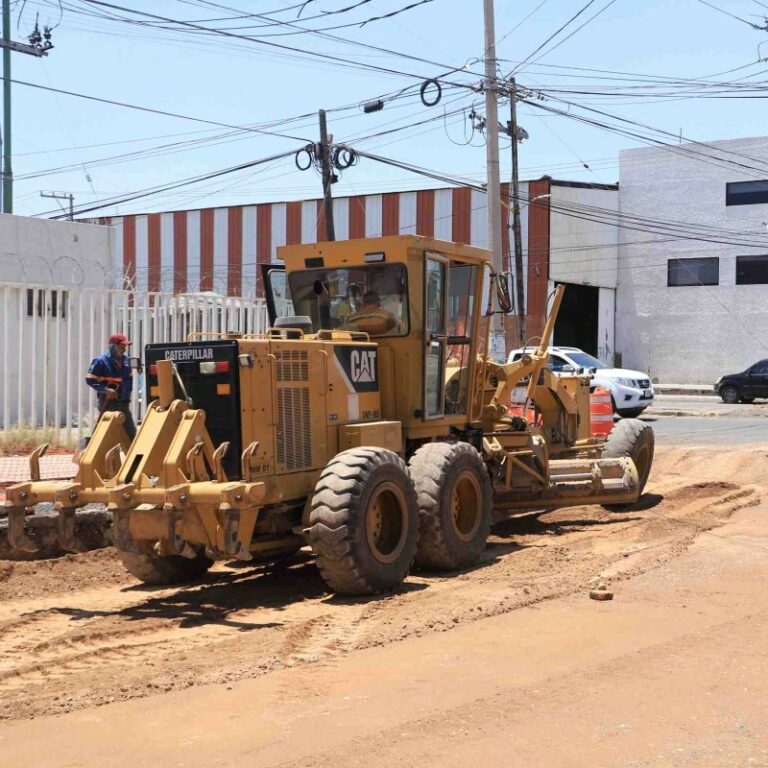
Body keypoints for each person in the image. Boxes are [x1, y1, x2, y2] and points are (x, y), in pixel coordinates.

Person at [86, 332, 137, 439]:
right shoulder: (100, 361)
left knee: (131, 434)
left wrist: (127, 397)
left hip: (123, 403)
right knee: (106, 436)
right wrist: (105, 390)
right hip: (108, 403)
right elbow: (90, 380)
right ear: (113, 346)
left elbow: (128, 380)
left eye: (125, 346)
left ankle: (133, 455)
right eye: (122, 346)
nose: (124, 349)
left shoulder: (126, 361)